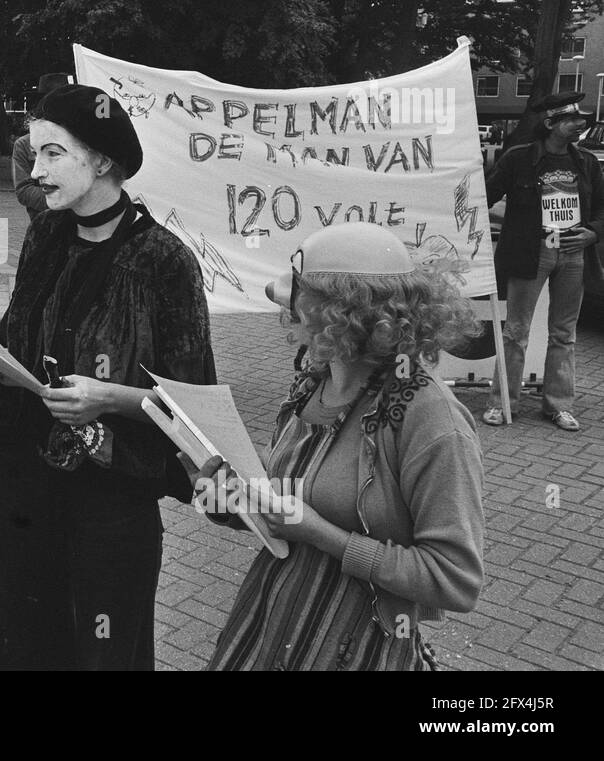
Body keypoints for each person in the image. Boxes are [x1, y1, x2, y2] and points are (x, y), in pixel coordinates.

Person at [0, 84, 216, 671]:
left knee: (105, 647)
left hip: (110, 494)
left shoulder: (163, 260)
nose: (36, 171)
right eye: (35, 155)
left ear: (103, 161)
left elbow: (195, 404)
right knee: (27, 637)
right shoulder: (47, 234)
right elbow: (22, 338)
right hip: (28, 481)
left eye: (53, 154)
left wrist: (109, 397)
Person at [183, 223, 485, 670]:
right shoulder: (313, 382)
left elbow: (455, 580)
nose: (285, 306)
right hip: (271, 628)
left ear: (342, 312)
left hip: (357, 648)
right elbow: (284, 512)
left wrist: (323, 534)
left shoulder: (431, 416)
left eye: (299, 294)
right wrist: (226, 499)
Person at [482, 90, 604, 431]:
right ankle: (502, 402)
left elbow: (601, 208)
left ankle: (559, 405)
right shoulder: (519, 158)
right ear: (551, 124)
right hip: (531, 252)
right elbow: (485, 196)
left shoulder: (587, 162)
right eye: (571, 120)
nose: (579, 125)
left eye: (580, 120)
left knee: (564, 333)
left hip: (573, 252)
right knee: (516, 331)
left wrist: (593, 232)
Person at [13, 74, 69, 221]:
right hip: (43, 222)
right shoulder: (24, 144)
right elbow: (23, 190)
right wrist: (62, 201)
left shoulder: (81, 141)